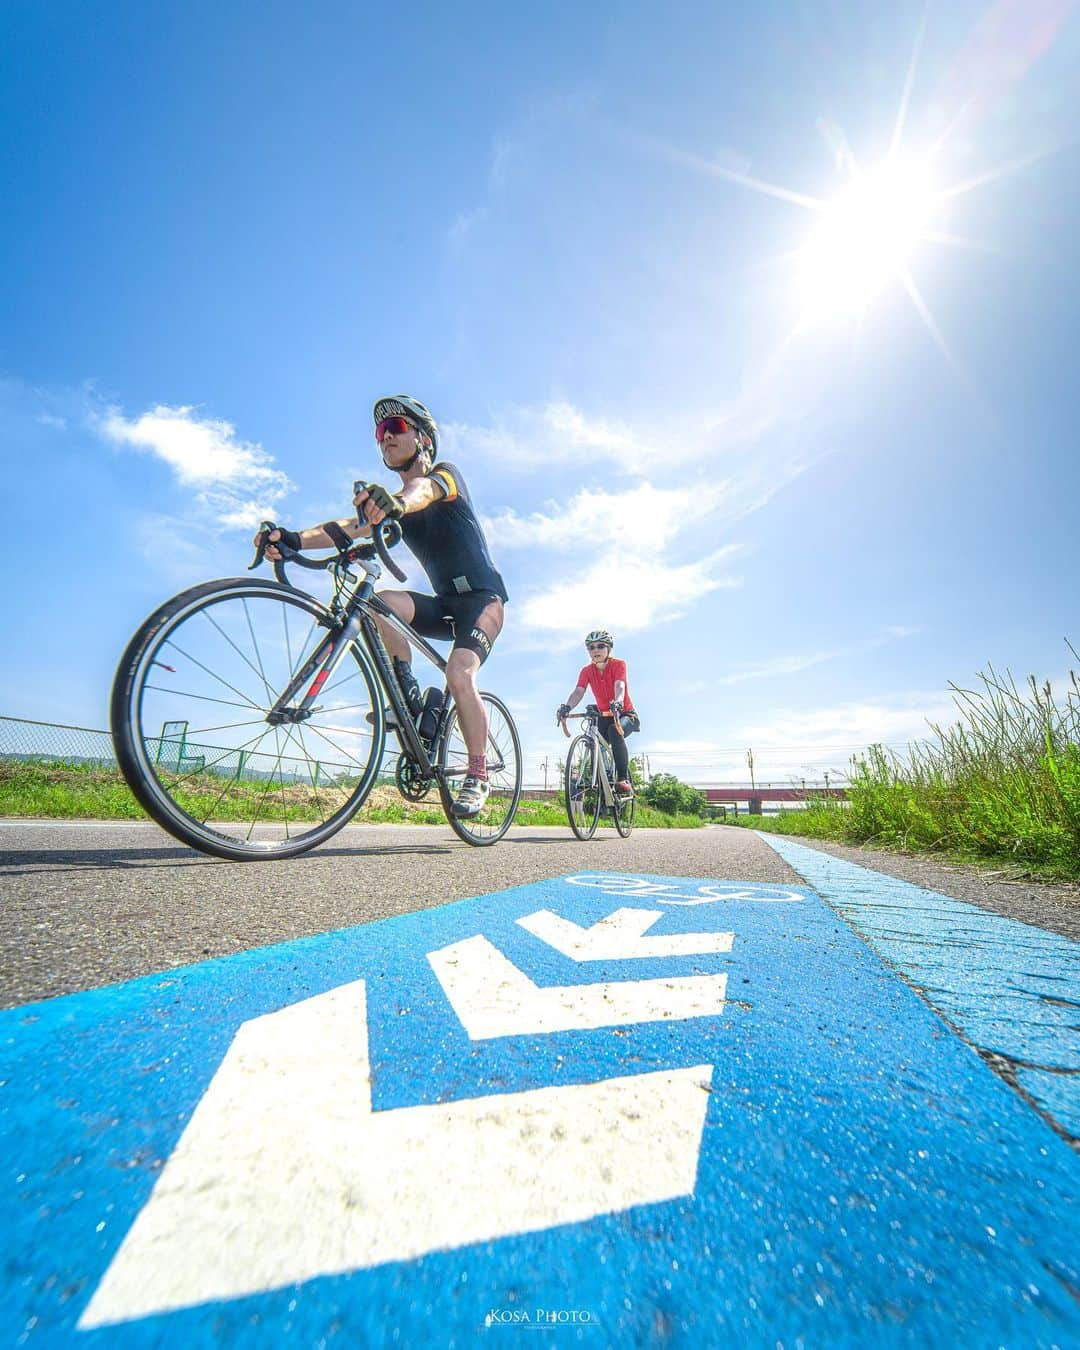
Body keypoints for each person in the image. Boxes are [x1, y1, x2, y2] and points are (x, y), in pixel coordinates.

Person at [256, 394, 507, 819]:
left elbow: (421, 491)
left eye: (395, 429)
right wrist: (293, 538)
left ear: (424, 440)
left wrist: (398, 502)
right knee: (379, 602)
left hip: (483, 601)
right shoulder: (395, 506)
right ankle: (407, 697)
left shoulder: (446, 478)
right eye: (379, 433)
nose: (385, 438)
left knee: (459, 672)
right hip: (444, 604)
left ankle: (478, 774)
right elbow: (347, 529)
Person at [556, 630, 640, 795]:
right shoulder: (586, 671)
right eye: (591, 647)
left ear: (609, 649)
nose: (596, 650)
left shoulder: (618, 664)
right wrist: (567, 707)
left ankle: (623, 779)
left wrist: (618, 702)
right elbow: (579, 691)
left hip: (625, 715)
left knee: (614, 731)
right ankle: (602, 776)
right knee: (593, 739)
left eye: (601, 646)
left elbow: (620, 685)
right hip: (604, 716)